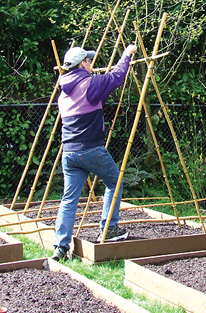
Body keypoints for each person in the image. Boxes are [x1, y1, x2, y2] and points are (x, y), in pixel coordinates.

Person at [51, 44, 137, 261]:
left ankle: (60, 247)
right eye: (89, 61)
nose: (92, 64)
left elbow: (93, 102)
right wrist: (126, 55)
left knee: (69, 199)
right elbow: (117, 76)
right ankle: (109, 228)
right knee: (114, 182)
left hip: (69, 153)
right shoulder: (90, 84)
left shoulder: (64, 92)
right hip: (90, 149)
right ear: (83, 64)